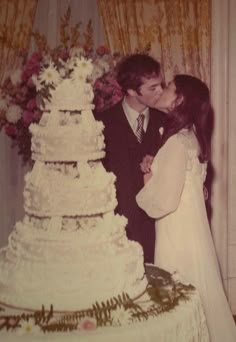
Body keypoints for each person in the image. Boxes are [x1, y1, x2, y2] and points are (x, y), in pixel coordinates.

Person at [136, 74, 236, 341]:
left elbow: (163, 202)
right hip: (191, 231)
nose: (163, 89)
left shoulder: (176, 142)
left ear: (179, 99)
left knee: (176, 297)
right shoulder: (190, 137)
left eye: (169, 87)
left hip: (176, 234)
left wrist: (146, 181)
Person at [95, 53, 166, 263]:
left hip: (157, 232)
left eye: (160, 85)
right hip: (116, 234)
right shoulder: (101, 123)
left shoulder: (168, 121)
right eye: (153, 88)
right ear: (131, 91)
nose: (161, 91)